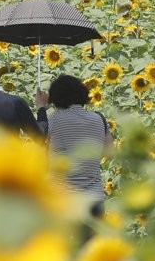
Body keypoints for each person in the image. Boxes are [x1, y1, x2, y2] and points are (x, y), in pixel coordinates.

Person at [39, 73, 113, 222]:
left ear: (55, 98)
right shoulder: (99, 119)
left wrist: (41, 108)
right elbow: (110, 152)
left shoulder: (52, 119)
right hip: (94, 199)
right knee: (91, 245)